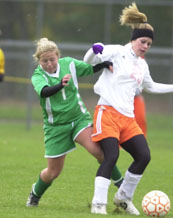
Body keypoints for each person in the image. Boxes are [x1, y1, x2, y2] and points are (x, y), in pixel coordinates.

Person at [83, 3, 173, 215]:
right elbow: (87, 63)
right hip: (107, 113)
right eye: (143, 41)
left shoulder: (142, 65)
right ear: (133, 39)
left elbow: (151, 86)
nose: (145, 46)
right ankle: (98, 204)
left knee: (144, 155)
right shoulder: (116, 51)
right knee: (112, 156)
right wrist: (93, 50)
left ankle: (123, 198)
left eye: (149, 44)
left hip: (127, 118)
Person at [26, 38, 123, 207]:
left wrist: (104, 64)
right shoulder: (37, 75)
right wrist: (60, 84)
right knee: (53, 173)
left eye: (52, 59)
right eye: (44, 61)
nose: (49, 64)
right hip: (56, 127)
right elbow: (45, 92)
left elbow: (89, 68)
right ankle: (35, 193)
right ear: (39, 60)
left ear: (58, 56)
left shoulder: (69, 63)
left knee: (99, 152)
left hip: (79, 119)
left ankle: (122, 189)